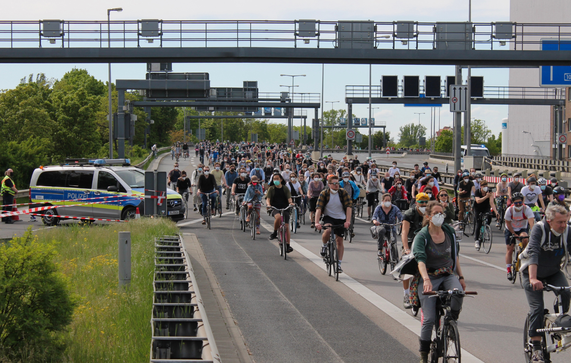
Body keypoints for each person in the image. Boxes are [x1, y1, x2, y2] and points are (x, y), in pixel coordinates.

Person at [414, 201, 466, 363]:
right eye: (436, 213)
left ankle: (451, 322)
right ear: (428, 216)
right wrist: (427, 280)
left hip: (447, 274)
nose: (440, 216)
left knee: (458, 294)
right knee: (429, 319)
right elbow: (420, 261)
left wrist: (461, 277)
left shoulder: (449, 232)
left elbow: (455, 256)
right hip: (429, 276)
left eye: (442, 213)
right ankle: (423, 355)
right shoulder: (422, 236)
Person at [522, 204, 571, 363]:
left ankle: (557, 322)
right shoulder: (539, 229)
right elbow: (533, 253)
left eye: (565, 221)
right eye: (560, 222)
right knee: (537, 307)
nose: (563, 225)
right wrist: (533, 278)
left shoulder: (567, 231)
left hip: (553, 272)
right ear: (549, 221)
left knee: (566, 292)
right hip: (532, 271)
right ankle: (536, 348)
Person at [315, 175, 352, 273]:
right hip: (329, 217)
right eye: (334, 183)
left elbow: (349, 207)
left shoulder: (343, 192)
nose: (336, 185)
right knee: (328, 230)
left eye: (337, 183)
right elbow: (318, 208)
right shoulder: (324, 193)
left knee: (339, 241)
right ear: (329, 184)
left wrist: (348, 221)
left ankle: (339, 264)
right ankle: (324, 245)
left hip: (341, 218)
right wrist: (316, 222)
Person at [401, 192, 430, 309]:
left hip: (425, 242)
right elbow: (404, 232)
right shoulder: (409, 214)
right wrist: (406, 248)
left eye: (425, 202)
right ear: (416, 202)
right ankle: (406, 295)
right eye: (421, 202)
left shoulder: (429, 214)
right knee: (407, 268)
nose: (423, 204)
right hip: (410, 242)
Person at [504, 192, 535, 281]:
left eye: (520, 202)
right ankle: (509, 269)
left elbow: (531, 222)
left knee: (525, 238)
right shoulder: (509, 210)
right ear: (513, 203)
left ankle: (525, 255)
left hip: (522, 228)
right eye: (516, 203)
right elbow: (508, 223)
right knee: (510, 249)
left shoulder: (527, 209)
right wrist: (514, 234)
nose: (518, 205)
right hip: (511, 229)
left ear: (522, 202)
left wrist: (533, 234)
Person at [266, 173, 294, 252]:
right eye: (274, 179)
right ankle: (275, 232)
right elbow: (268, 198)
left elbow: (289, 198)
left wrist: (291, 203)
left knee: (287, 226)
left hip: (285, 208)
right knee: (278, 217)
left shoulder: (285, 188)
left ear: (281, 179)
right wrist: (268, 205)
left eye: (277, 178)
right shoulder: (271, 188)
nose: (276, 180)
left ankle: (288, 245)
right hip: (275, 207)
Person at [474, 180, 499, 251]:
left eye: (486, 186)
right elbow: (478, 201)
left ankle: (486, 228)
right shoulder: (477, 192)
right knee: (478, 224)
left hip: (486, 207)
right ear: (481, 187)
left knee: (489, 216)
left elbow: (492, 203)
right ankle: (476, 241)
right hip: (478, 208)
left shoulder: (489, 192)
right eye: (483, 186)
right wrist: (486, 197)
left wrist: (496, 212)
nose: (485, 188)